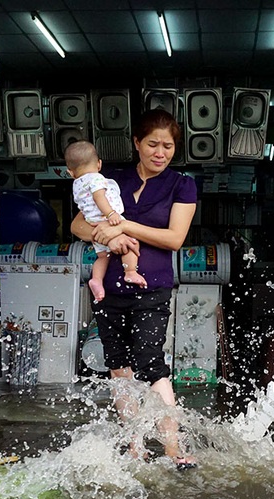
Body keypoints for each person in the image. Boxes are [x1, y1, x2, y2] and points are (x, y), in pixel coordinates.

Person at [71, 109, 198, 471]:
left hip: (152, 287)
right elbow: (78, 225)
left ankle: (173, 447)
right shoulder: (111, 179)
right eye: (153, 144)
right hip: (109, 289)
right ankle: (135, 446)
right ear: (137, 143)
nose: (160, 152)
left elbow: (174, 239)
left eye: (168, 146)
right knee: (118, 367)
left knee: (151, 362)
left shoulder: (181, 185)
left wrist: (123, 226)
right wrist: (107, 235)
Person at [64, 140, 147, 302]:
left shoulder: (77, 184)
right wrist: (110, 214)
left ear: (70, 172)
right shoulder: (96, 179)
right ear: (99, 164)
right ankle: (130, 272)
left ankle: (96, 279)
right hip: (107, 220)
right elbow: (99, 197)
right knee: (131, 243)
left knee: (103, 256)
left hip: (92, 223)